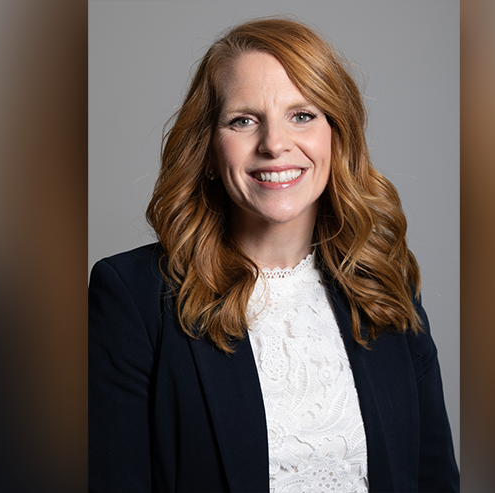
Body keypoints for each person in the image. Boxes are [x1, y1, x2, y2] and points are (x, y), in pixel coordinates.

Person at [89, 17, 459, 493]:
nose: (274, 144)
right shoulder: (132, 299)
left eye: (302, 115)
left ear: (336, 135)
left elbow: (433, 481)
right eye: (243, 120)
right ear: (208, 147)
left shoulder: (384, 284)